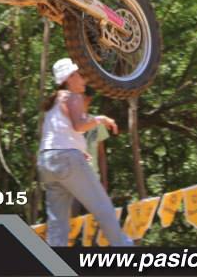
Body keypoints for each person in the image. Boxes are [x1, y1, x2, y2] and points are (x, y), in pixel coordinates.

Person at [37, 58, 131, 247]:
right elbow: (79, 126)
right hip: (66, 158)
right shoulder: (73, 96)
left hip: (47, 162)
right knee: (103, 208)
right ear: (69, 78)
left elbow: (61, 133)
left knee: (57, 224)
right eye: (79, 74)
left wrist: (79, 150)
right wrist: (100, 119)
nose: (84, 78)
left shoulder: (54, 101)